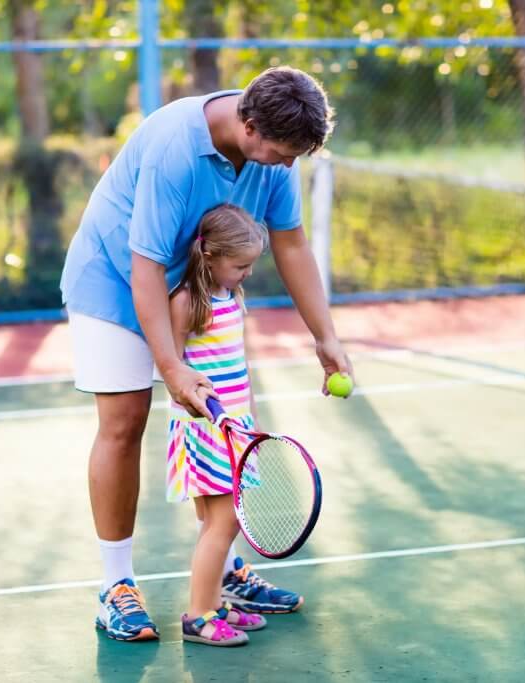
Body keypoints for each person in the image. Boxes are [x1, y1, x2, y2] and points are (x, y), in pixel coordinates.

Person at [59, 66, 354, 642]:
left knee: (217, 431)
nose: (287, 165)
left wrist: (326, 335)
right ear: (248, 125)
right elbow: (144, 266)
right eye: (282, 153)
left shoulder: (273, 153)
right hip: (115, 286)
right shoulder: (175, 146)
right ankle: (117, 586)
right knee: (124, 423)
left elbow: (290, 241)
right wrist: (171, 367)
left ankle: (223, 570)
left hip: (193, 292)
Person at [168, 204, 274, 646]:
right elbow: (173, 365)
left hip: (233, 427)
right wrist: (209, 412)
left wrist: (243, 418)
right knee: (224, 524)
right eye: (241, 265)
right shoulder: (187, 300)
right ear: (210, 257)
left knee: (215, 521)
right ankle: (198, 615)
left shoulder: (231, 296)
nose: (247, 273)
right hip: (205, 431)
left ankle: (214, 601)